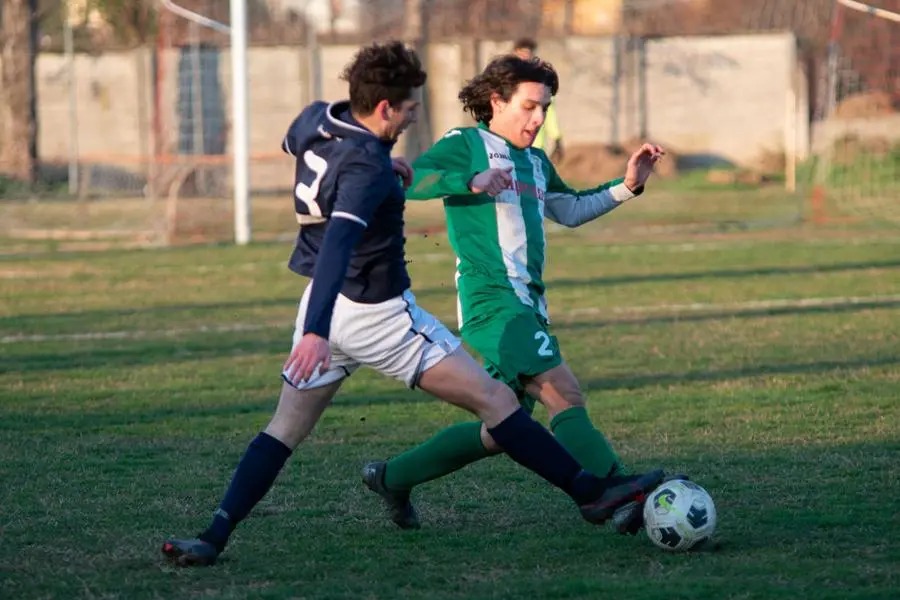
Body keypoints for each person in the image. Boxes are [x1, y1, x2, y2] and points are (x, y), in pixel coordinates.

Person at [160, 41, 664, 567]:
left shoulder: (316, 122)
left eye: (545, 108)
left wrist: (628, 187)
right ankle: (598, 490)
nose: (413, 116)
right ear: (385, 107)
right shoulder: (392, 164)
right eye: (408, 108)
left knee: (288, 430)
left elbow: (296, 142)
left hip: (328, 311)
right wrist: (447, 178)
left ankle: (219, 535)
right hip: (386, 315)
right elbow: (344, 240)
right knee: (519, 400)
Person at [363, 54, 669, 536]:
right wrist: (470, 180)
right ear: (496, 101)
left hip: (527, 306)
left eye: (545, 108)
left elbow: (567, 208)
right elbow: (407, 179)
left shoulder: (536, 161)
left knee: (502, 431)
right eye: (529, 107)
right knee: (562, 391)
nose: (539, 118)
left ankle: (391, 477)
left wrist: (628, 186)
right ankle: (614, 488)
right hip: (492, 305)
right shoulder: (466, 144)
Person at [513, 37, 563, 162]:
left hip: (535, 146)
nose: (525, 57)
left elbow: (550, 112)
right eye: (522, 53)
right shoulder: (506, 81)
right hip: (511, 145)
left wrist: (556, 138)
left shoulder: (541, 83)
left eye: (528, 53)